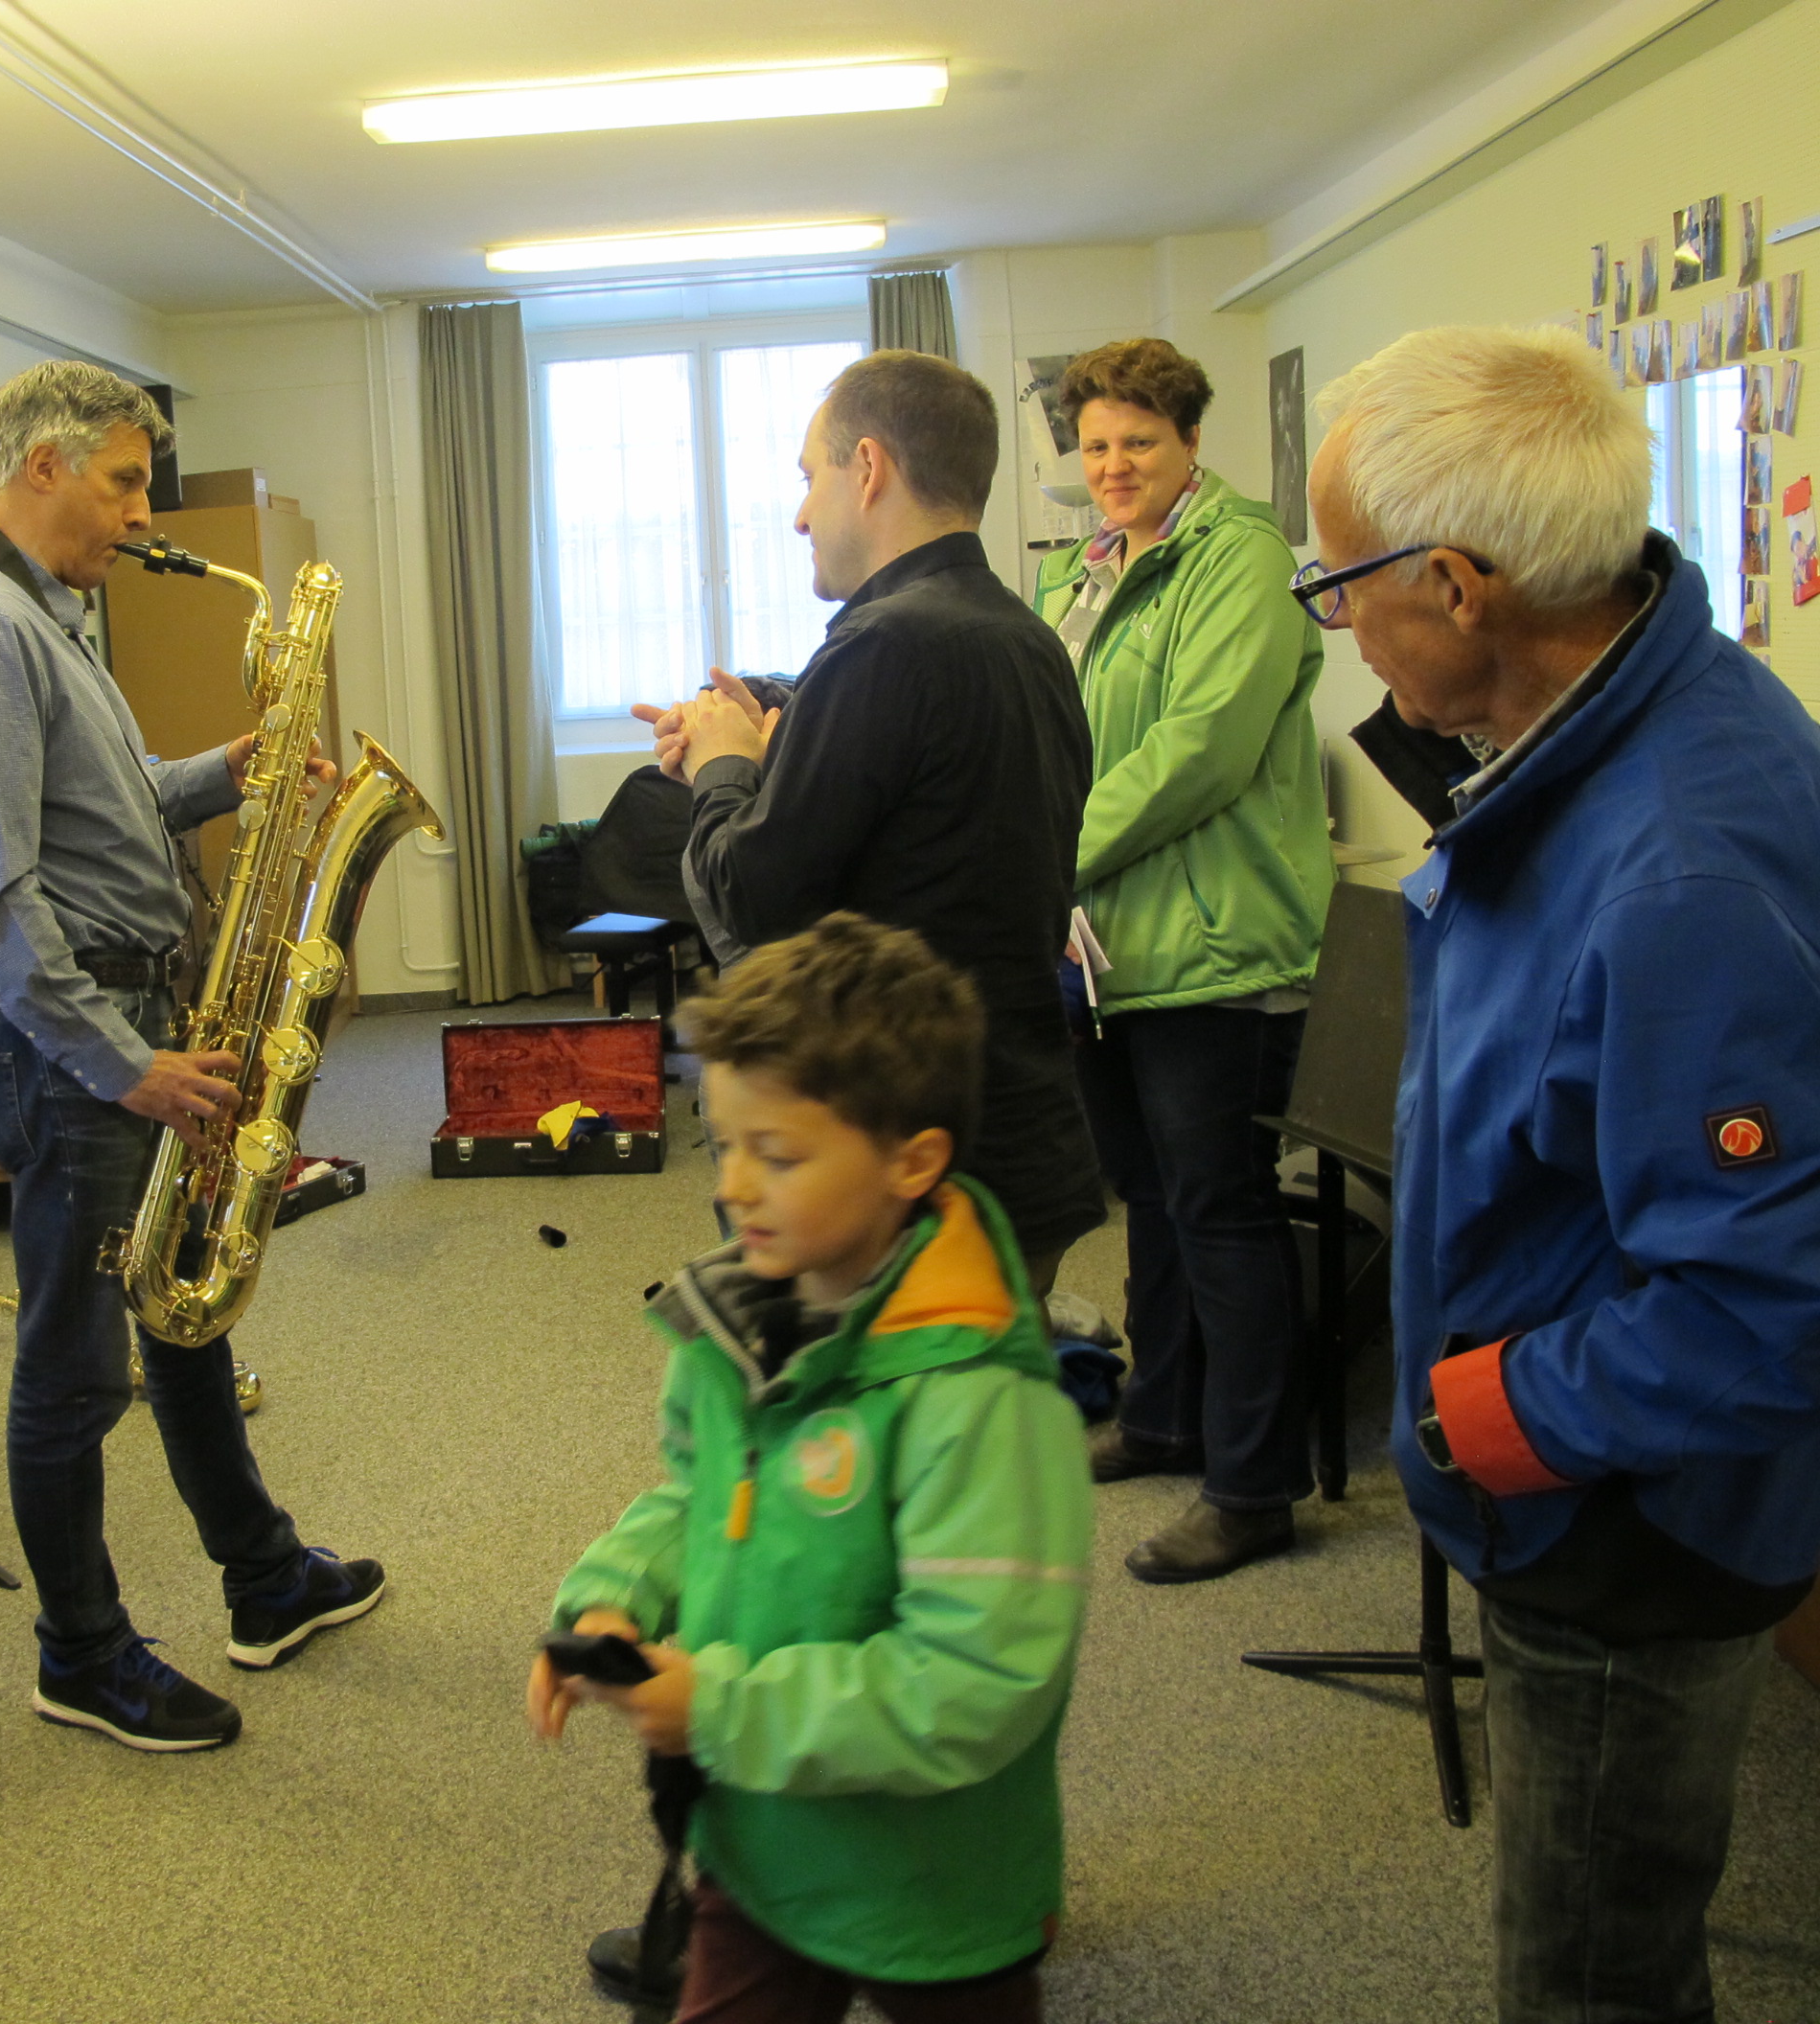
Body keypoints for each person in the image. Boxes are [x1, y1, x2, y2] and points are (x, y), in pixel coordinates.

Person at [1307, 323, 1820, 2023]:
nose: (1335, 622)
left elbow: (1764, 1309)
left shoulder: (1679, 868)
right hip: (1579, 1477)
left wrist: (1480, 1419)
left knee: (1593, 1978)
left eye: (1339, 584)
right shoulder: (1607, 719)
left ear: (1458, 587)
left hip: (1621, 1521)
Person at [0, 360, 381, 1753]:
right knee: (74, 1369)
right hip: (65, 1051)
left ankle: (263, 1577)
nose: (139, 514)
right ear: (41, 468)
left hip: (117, 1025)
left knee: (183, 1312)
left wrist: (236, 766)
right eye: (120, 483)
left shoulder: (41, 617)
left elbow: (116, 808)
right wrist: (124, 1066)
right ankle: (81, 1656)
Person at [530, 912, 1091, 2024]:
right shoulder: (730, 1327)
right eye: (723, 1143)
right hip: (755, 1848)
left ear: (911, 1160)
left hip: (930, 1889)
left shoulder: (978, 1400)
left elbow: (974, 1684)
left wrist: (720, 1711)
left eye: (777, 1155)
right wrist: (610, 1597)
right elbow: (693, 1496)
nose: (733, 1187)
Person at [640, 350, 1103, 1293]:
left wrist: (724, 767)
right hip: (1017, 1134)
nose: (800, 514)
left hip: (896, 1176)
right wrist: (775, 747)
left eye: (808, 477)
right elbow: (925, 838)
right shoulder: (1025, 639)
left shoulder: (882, 642)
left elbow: (749, 903)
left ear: (867, 467)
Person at [1032, 337, 1333, 1583]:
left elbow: (1197, 751)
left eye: (1138, 443)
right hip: (1106, 942)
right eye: (1096, 445)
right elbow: (1050, 731)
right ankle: (1162, 1416)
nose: (1113, 466)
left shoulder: (1241, 559)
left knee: (1219, 1206)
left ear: (1191, 442)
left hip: (1211, 941)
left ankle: (1254, 1487)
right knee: (1149, 1195)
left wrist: (1045, 854)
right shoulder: (1079, 571)